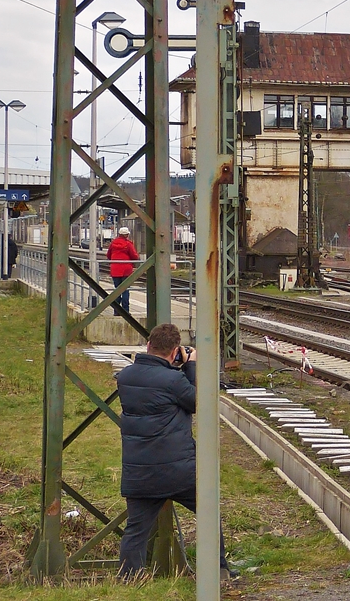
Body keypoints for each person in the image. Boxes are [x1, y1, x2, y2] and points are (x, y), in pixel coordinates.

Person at [116, 323, 233, 580]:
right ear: (174, 352)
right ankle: (219, 570)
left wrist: (175, 368)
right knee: (209, 513)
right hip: (178, 470)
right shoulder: (174, 379)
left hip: (140, 473)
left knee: (135, 530)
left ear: (148, 345)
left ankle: (129, 578)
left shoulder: (125, 378)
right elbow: (197, 401)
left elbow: (155, 389)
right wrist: (190, 365)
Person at [106, 227, 139, 315]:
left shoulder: (113, 243)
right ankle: (125, 311)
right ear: (126, 235)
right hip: (126, 270)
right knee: (125, 290)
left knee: (117, 290)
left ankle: (116, 311)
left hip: (115, 270)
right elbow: (134, 256)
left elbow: (108, 255)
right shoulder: (128, 244)